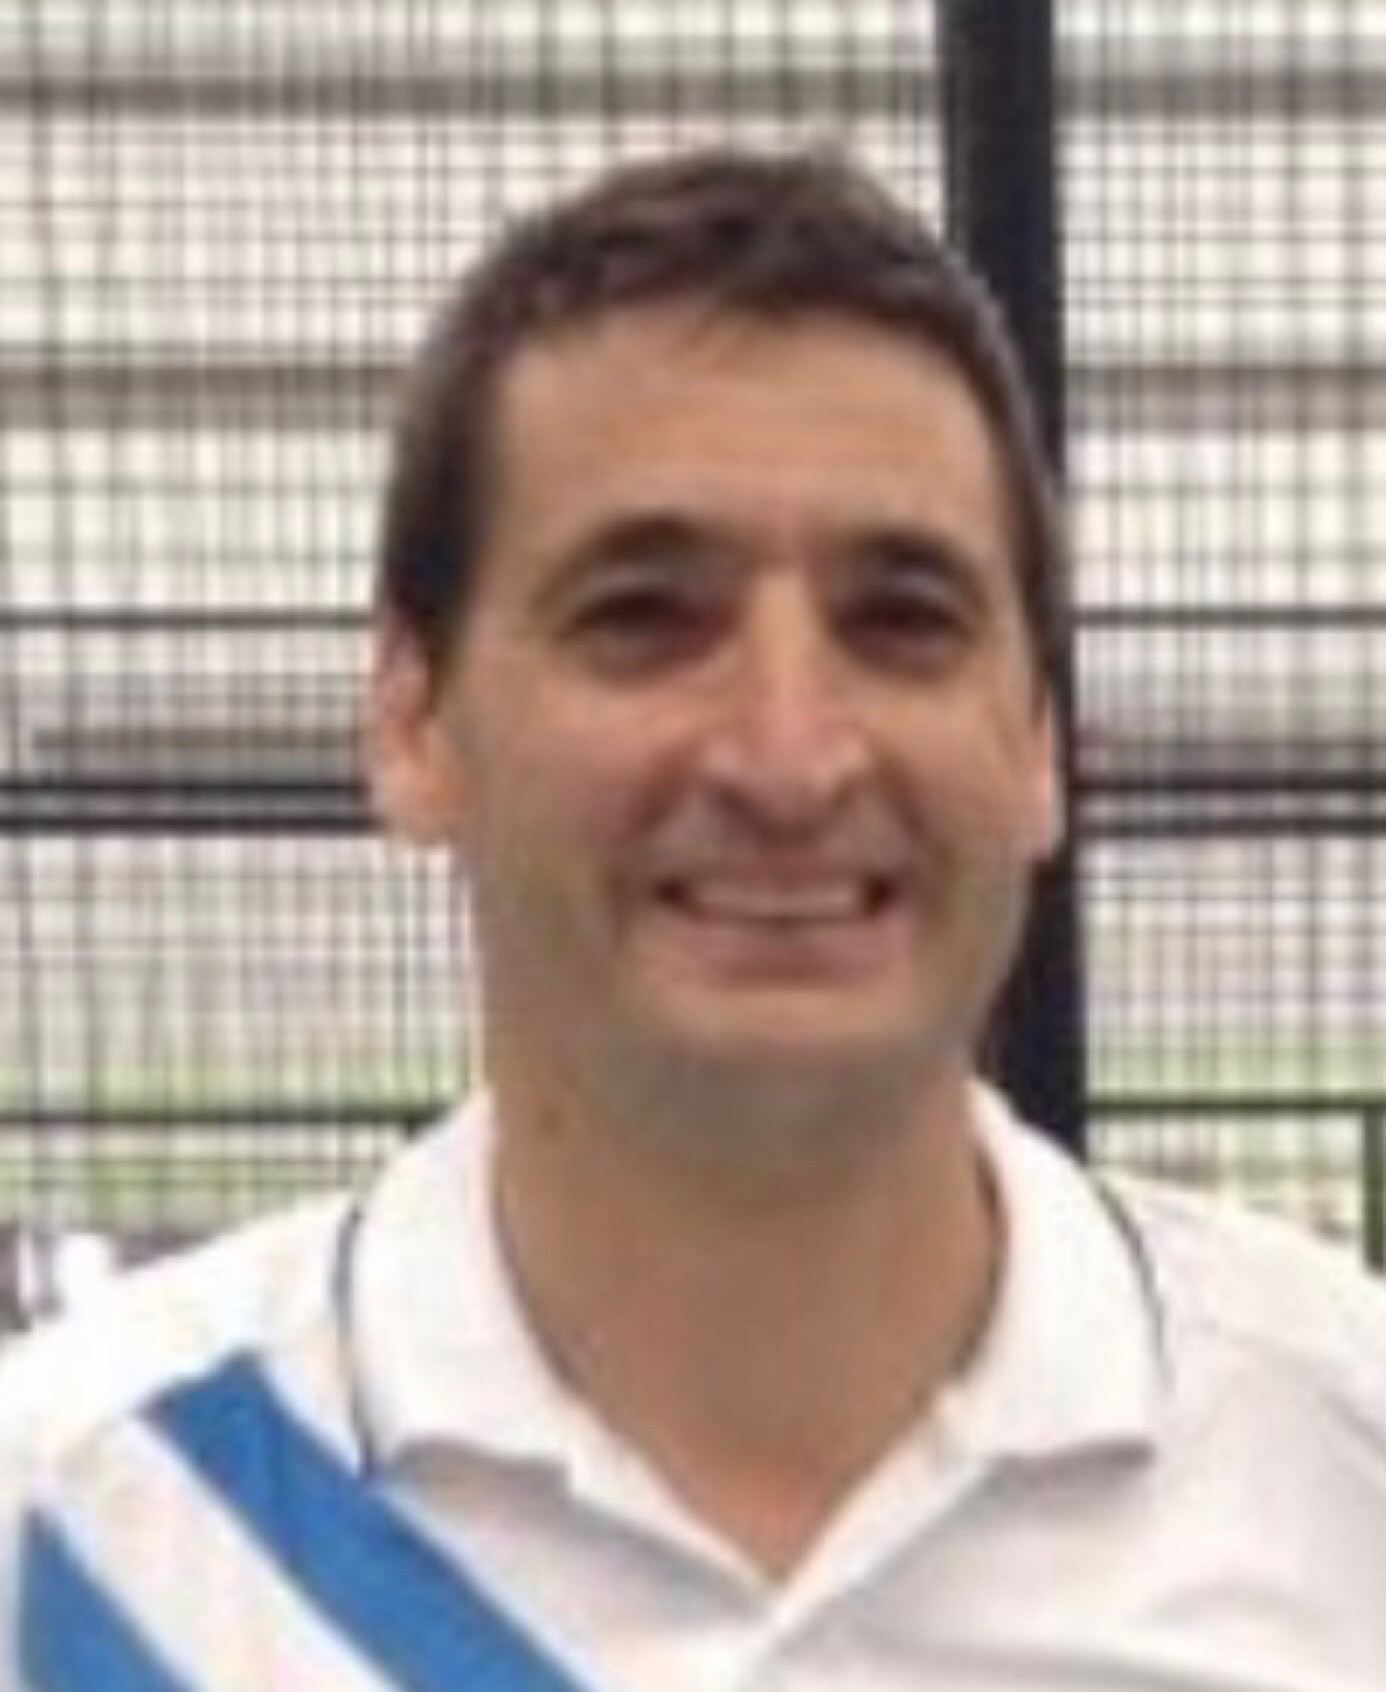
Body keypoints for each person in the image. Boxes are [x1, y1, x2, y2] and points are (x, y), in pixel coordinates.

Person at [3, 145, 1386, 1692]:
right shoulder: (74, 1526)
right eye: (643, 619)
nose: (788, 758)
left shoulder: (1342, 1477)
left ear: (1040, 747)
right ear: (410, 722)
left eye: (901, 621)